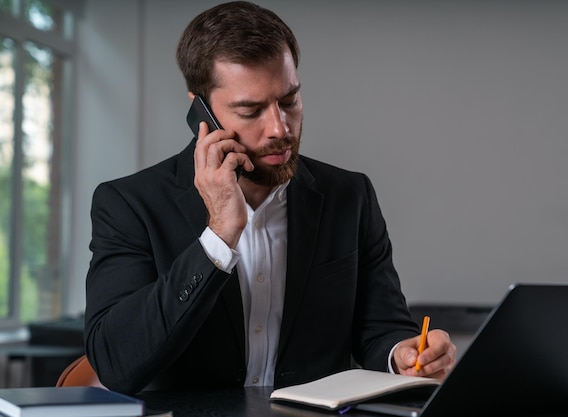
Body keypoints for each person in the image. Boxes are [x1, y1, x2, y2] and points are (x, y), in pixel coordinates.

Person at [84, 1, 456, 395]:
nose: (279, 127)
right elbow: (115, 363)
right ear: (201, 113)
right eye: (251, 110)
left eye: (289, 100)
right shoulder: (128, 204)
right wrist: (218, 237)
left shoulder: (350, 196)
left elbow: (381, 327)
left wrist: (401, 353)